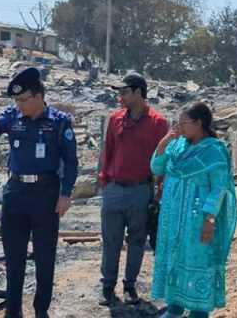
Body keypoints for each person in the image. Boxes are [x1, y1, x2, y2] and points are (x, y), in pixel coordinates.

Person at [0, 67, 78, 318]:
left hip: (46, 193)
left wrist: (65, 194)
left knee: (44, 257)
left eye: (23, 100)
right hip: (16, 192)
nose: (19, 105)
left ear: (39, 96)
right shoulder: (13, 116)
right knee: (14, 256)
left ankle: (40, 310)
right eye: (16, 101)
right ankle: (13, 312)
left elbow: (71, 161)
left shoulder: (59, 121)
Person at [151, 102, 237, 318]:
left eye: (183, 123)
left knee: (198, 261)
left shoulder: (214, 151)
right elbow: (156, 167)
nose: (179, 127)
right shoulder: (177, 145)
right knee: (175, 260)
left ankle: (198, 312)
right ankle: (174, 309)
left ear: (199, 123)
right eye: (177, 123)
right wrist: (165, 141)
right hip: (172, 219)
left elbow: (219, 188)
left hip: (197, 220)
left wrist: (210, 219)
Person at [97, 72, 169, 306]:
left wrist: (158, 191)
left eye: (124, 92)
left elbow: (162, 159)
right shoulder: (115, 119)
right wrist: (104, 180)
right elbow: (107, 151)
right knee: (111, 240)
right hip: (114, 189)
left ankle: (130, 286)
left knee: (137, 240)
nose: (120, 97)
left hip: (141, 190)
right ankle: (107, 287)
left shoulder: (159, 123)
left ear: (139, 92)